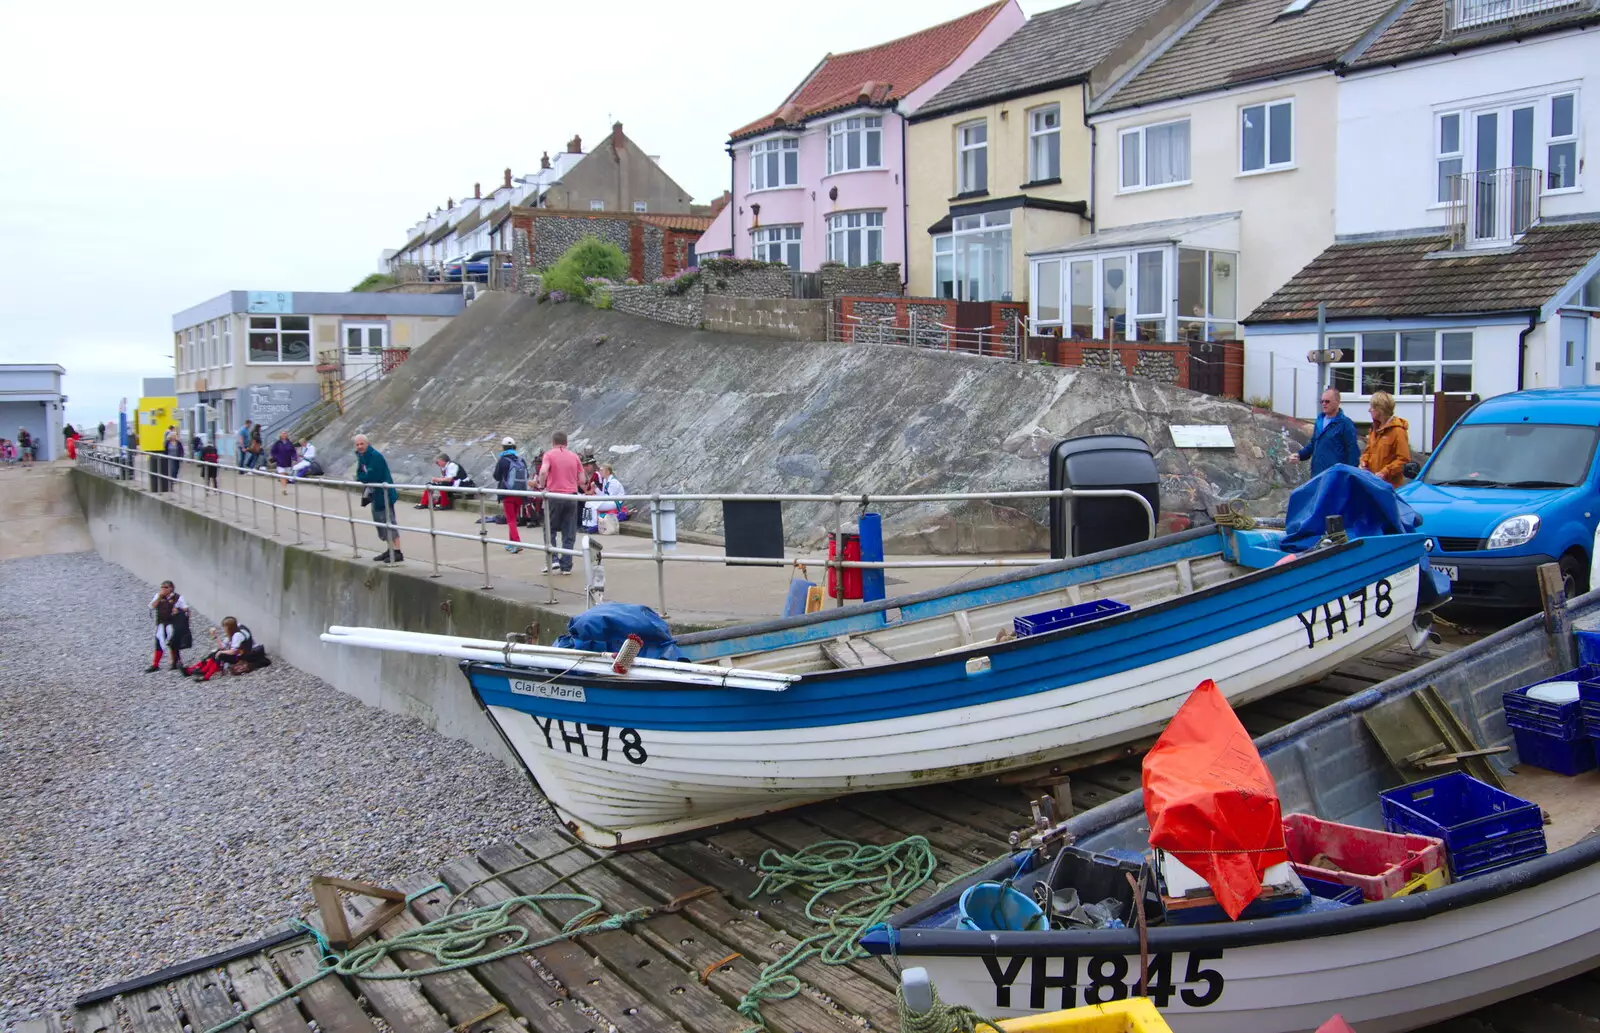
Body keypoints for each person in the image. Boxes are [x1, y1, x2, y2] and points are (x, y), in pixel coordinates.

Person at [537, 431, 584, 574]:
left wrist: (542, 485)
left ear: (553, 442)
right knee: (569, 531)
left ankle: (553, 560)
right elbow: (582, 479)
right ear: (566, 443)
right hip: (571, 496)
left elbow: (543, 471)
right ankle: (566, 566)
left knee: (549, 529)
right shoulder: (574, 456)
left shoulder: (549, 455)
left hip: (555, 495)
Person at [1288, 388, 1360, 477]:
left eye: (1327, 401)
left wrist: (1349, 476)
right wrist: (1299, 455)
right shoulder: (1319, 420)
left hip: (1335, 477)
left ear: (1337, 402)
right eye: (1321, 401)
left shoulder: (1345, 423)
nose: (1324, 404)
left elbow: (1353, 451)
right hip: (1317, 474)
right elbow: (1314, 443)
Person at [354, 433, 403, 562]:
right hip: (375, 495)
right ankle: (390, 549)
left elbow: (371, 477)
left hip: (384, 494)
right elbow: (359, 474)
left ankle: (397, 551)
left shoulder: (375, 456)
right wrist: (363, 477)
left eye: (361, 444)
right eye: (357, 444)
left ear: (367, 444)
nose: (359, 446)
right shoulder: (362, 456)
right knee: (380, 523)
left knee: (389, 521)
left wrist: (363, 477)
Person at [1361, 390, 1412, 489]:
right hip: (1373, 484)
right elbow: (1368, 451)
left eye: (1372, 407)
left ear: (1380, 409)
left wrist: (1385, 472)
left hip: (1390, 487)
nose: (1369, 410)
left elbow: (1403, 459)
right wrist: (1364, 462)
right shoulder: (1374, 429)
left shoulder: (1398, 431)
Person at [185, 617, 256, 681]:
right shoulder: (232, 633)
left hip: (241, 656)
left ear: (229, 627)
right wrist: (215, 636)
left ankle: (205, 674)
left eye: (225, 627)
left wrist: (221, 652)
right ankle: (195, 670)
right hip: (237, 654)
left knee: (220, 655)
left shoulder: (237, 635)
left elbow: (233, 651)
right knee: (214, 653)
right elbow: (222, 647)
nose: (223, 629)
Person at [492, 438, 529, 553]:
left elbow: (496, 477)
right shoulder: (521, 460)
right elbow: (526, 475)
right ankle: (511, 543)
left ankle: (516, 543)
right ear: (515, 447)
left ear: (503, 448)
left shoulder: (503, 460)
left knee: (510, 519)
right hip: (520, 493)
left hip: (507, 493)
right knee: (513, 519)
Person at [147, 580, 192, 673]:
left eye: (166, 587)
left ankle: (175, 662)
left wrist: (179, 611)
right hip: (162, 623)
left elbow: (186, 610)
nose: (163, 589)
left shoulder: (178, 598)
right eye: (162, 587)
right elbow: (152, 606)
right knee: (159, 642)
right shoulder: (158, 596)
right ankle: (155, 664)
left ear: (171, 588)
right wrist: (159, 597)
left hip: (172, 623)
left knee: (173, 643)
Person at [584, 463, 627, 530]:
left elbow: (609, 497)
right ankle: (586, 524)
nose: (600, 472)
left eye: (602, 470)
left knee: (592, 505)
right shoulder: (605, 480)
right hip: (608, 500)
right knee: (588, 503)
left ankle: (593, 525)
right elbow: (603, 494)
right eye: (600, 470)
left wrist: (597, 499)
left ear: (608, 472)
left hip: (615, 502)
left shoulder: (613, 482)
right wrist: (595, 488)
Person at [162, 426, 185, 492]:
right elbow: (165, 450)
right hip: (170, 457)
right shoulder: (168, 443)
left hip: (177, 457)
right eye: (173, 436)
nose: (174, 437)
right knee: (172, 468)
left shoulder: (178, 443)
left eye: (175, 436)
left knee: (176, 468)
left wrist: (181, 456)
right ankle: (172, 479)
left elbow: (181, 449)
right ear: (171, 437)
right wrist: (165, 456)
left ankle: (174, 478)